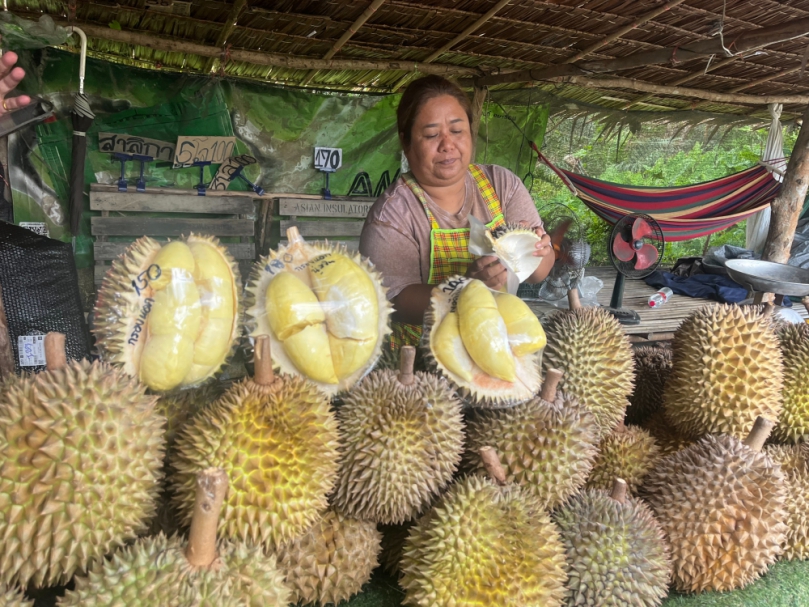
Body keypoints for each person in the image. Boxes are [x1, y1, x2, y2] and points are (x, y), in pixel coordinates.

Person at [360, 75, 554, 349]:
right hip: (421, 358)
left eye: (457, 130)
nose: (447, 144)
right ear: (406, 142)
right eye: (430, 135)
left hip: (498, 342)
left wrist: (537, 249)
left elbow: (538, 274)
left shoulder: (502, 185)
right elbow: (395, 300)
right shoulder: (393, 214)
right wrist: (463, 292)